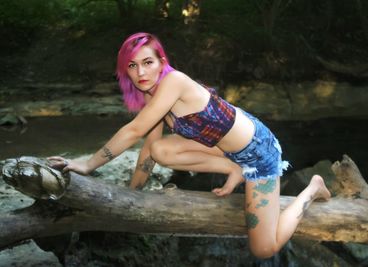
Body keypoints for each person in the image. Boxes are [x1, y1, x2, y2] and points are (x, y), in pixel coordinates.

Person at [49, 32, 331, 258]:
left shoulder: (175, 81)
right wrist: (130, 196)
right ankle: (233, 168)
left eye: (148, 62)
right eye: (132, 66)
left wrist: (87, 164)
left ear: (161, 61)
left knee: (264, 249)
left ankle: (312, 188)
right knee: (160, 149)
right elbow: (149, 148)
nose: (140, 72)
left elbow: (133, 130)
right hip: (230, 149)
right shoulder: (152, 96)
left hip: (259, 153)